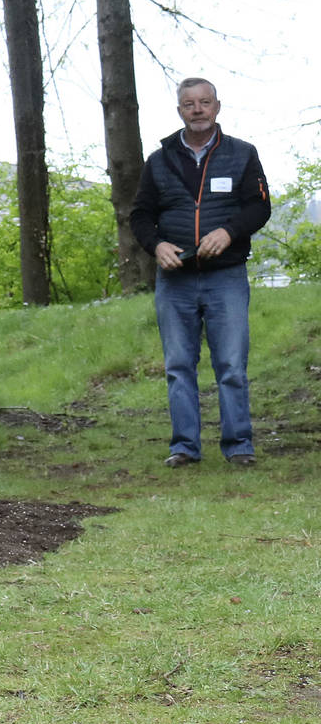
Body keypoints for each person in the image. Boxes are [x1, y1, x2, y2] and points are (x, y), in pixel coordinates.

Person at [128, 77, 271, 467]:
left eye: (205, 102)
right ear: (180, 111)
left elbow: (259, 207)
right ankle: (185, 448)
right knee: (178, 366)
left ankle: (239, 446)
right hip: (174, 280)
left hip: (225, 275)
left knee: (231, 365)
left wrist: (228, 232)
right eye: (189, 104)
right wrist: (155, 245)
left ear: (217, 107)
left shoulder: (242, 154)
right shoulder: (159, 160)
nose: (198, 109)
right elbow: (140, 215)